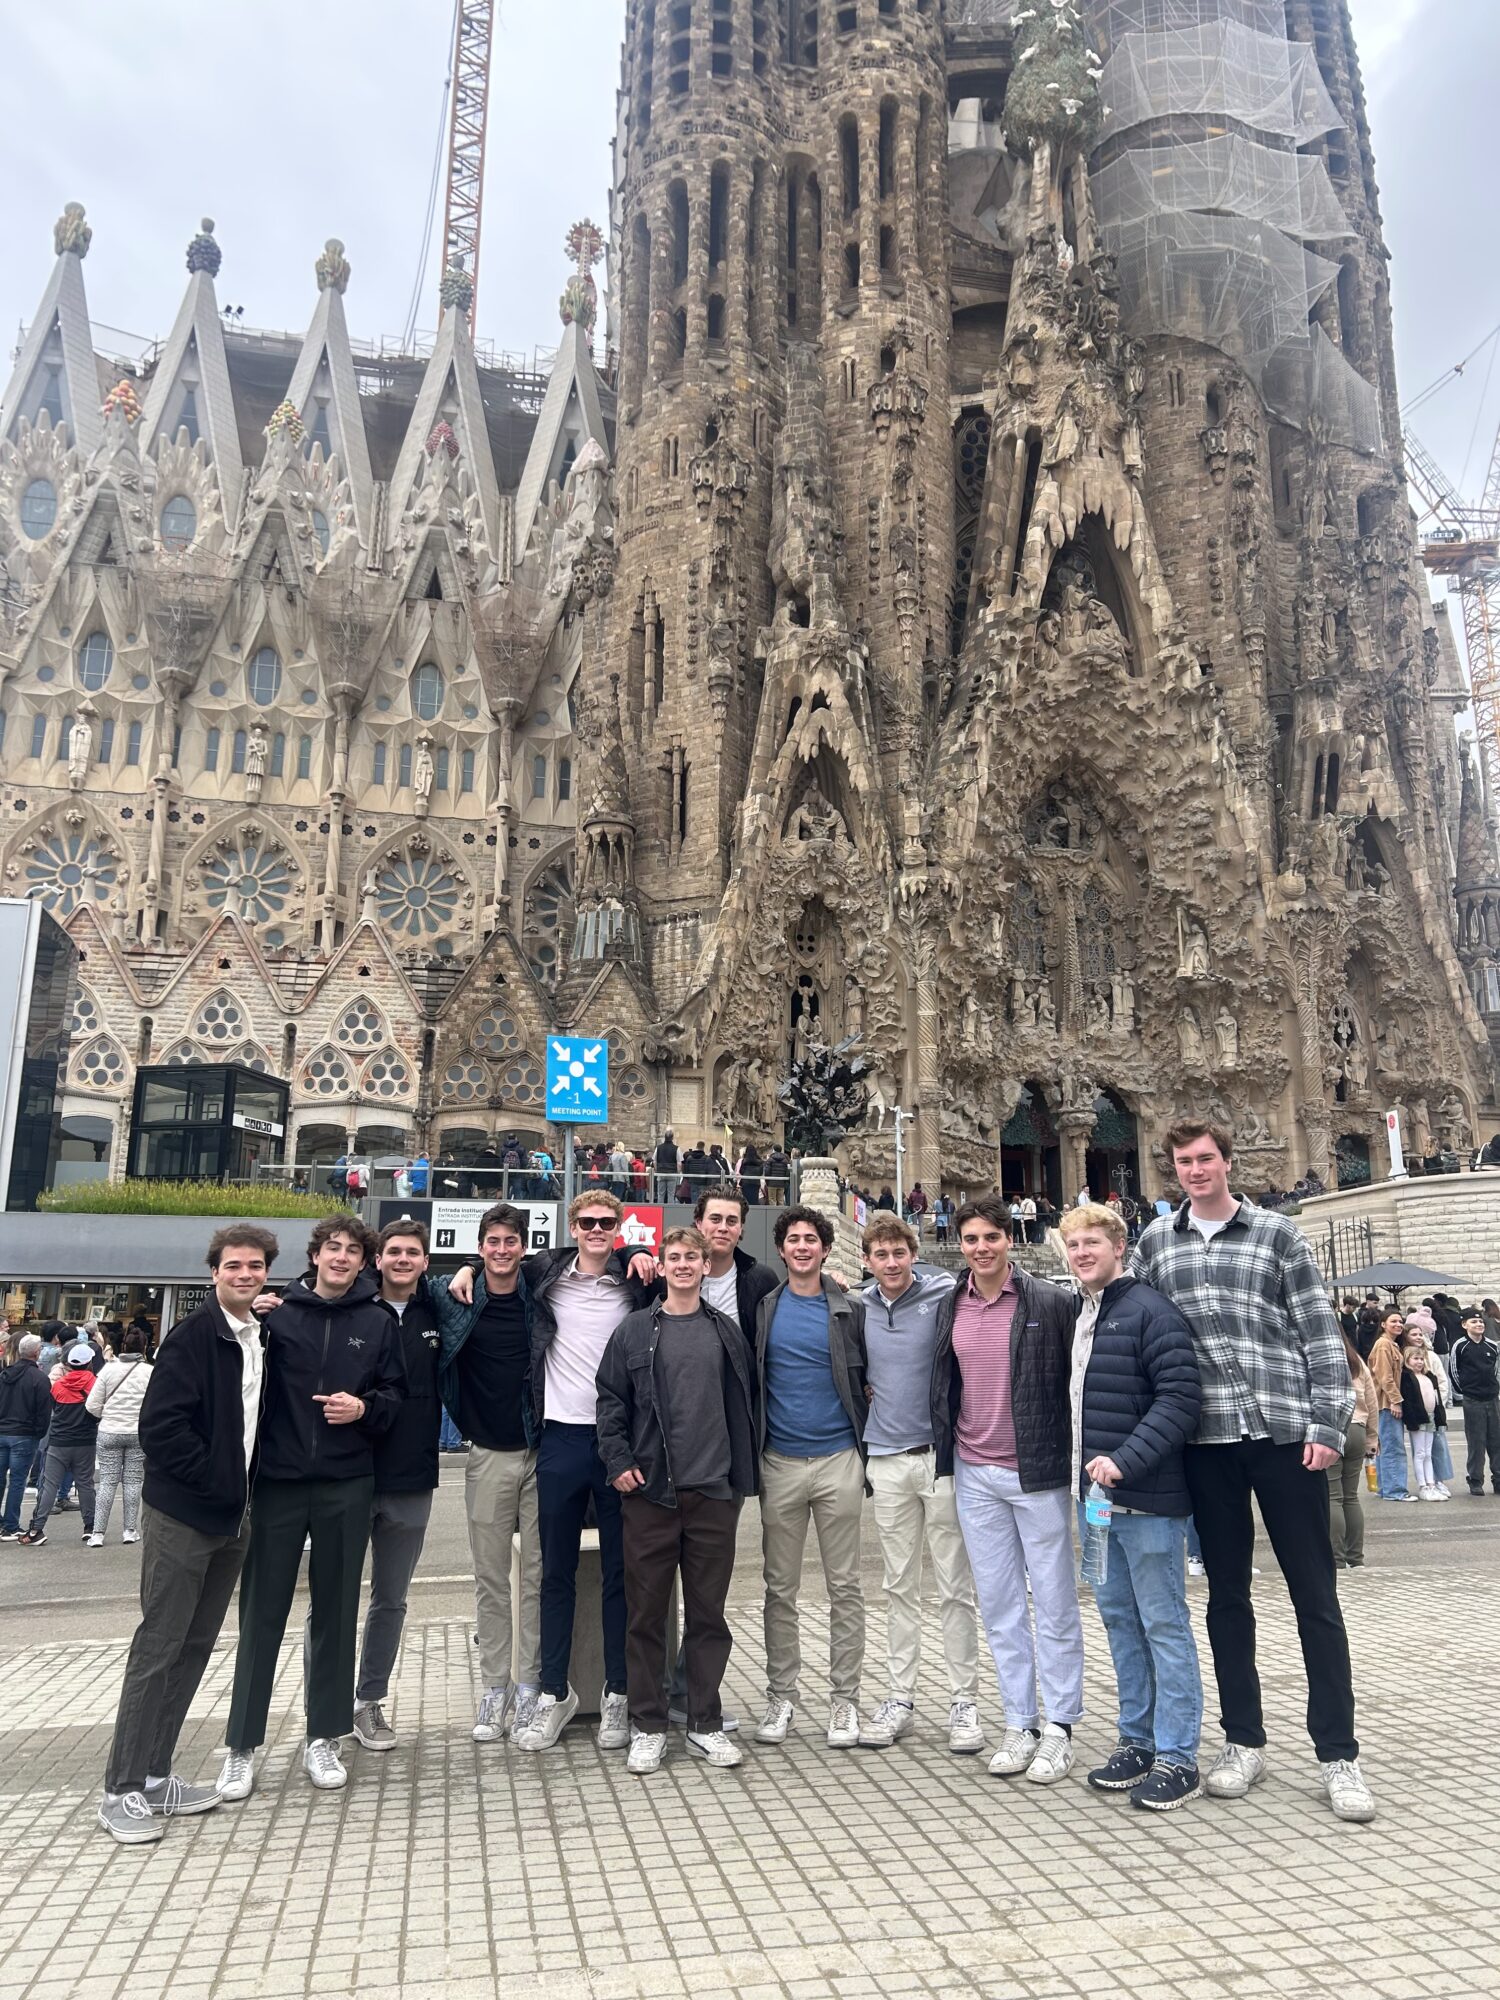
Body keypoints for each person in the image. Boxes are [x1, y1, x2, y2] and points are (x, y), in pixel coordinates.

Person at [1132, 1120, 1376, 1823]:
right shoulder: (1156, 1243)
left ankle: (1338, 1752)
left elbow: (1319, 1334)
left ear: (1228, 1162)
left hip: (1283, 1432)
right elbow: (1137, 1330)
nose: (1196, 1169)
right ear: (1173, 1169)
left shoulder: (1277, 1234)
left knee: (1315, 1595)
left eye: (1206, 1158)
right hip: (1206, 1436)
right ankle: (1243, 1740)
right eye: (1184, 1161)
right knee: (1226, 1598)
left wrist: (1327, 1424)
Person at [96, 1226, 279, 1844]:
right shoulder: (193, 1336)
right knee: (158, 1647)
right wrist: (215, 1485)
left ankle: (155, 1775)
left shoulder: (255, 1336)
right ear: (214, 1273)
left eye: (255, 1266)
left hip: (233, 1517)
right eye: (234, 1266)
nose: (245, 1274)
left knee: (196, 1645)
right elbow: (162, 1429)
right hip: (185, 1516)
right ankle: (120, 1789)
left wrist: (237, 1497)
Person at [217, 1218, 404, 1801]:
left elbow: (396, 1395)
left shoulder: (377, 1321)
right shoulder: (275, 1317)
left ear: (364, 1262)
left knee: (337, 1612)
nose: (342, 1257)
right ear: (315, 1255)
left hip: (347, 1482)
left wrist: (364, 1408)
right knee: (261, 1613)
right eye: (333, 1248)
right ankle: (241, 1746)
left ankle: (324, 1736)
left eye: (352, 1251)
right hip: (277, 1481)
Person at [934, 1194, 1082, 1786]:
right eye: (970, 1239)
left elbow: (1077, 1378)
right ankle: (1020, 1722)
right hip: (975, 1471)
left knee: (1054, 1602)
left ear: (1009, 1238)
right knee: (999, 1606)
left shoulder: (1050, 1301)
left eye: (990, 1237)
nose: (981, 1248)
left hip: (1037, 1471)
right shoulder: (952, 1302)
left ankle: (1060, 1726)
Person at [596, 1225, 756, 1774]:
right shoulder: (634, 1331)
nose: (684, 1264)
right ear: (660, 1267)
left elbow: (745, 1404)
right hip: (650, 1494)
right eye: (675, 1257)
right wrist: (618, 1462)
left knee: (709, 1617)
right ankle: (648, 1725)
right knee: (645, 1616)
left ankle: (704, 1723)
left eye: (694, 1256)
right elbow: (610, 1401)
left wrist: (739, 1481)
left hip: (714, 1493)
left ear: (707, 1266)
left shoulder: (726, 1331)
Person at [1061, 1203, 1204, 1811]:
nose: (1081, 1253)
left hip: (1146, 1501)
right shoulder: (1082, 1312)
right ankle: (1137, 1740)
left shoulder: (1151, 1311)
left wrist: (1125, 1459)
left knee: (1164, 1624)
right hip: (1095, 1502)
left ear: (1119, 1246)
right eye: (1073, 1245)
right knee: (1120, 1620)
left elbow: (1180, 1399)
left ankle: (1178, 1755)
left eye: (1092, 1242)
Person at [858, 1215, 983, 1755]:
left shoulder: (944, 1294)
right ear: (867, 1260)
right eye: (881, 1254)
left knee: (955, 1586)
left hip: (939, 1460)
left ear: (914, 1254)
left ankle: (964, 1701)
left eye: (899, 1253)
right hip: (886, 1460)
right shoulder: (856, 1306)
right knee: (897, 1586)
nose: (891, 1263)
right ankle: (900, 1698)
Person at [754, 1205, 869, 1750]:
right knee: (780, 1588)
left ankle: (845, 1701)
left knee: (845, 1585)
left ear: (825, 1249)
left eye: (811, 1239)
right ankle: (782, 1696)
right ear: (781, 1249)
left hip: (838, 1458)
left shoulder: (850, 1307)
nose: (802, 1247)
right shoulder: (764, 1307)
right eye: (793, 1239)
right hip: (779, 1462)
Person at [434, 1202, 544, 1744]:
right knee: (491, 1580)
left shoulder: (541, 1291)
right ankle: (494, 1688)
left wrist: (639, 1250)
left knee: (538, 1576)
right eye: (492, 1242)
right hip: (488, 1455)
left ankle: (530, 1687)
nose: (502, 1250)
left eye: (510, 1241)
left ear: (524, 1246)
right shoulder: (454, 1296)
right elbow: (386, 1276)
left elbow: (601, 1257)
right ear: (480, 1247)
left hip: (541, 1452)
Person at [343, 1221, 444, 1754]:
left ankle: (368, 1701)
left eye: (413, 1253)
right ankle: (325, 1706)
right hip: (349, 1475)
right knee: (334, 1600)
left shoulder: (438, 1313)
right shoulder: (350, 1309)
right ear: (376, 1260)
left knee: (391, 1600)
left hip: (412, 1478)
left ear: (426, 1262)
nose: (403, 1260)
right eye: (394, 1252)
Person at [21, 1341, 99, 1544]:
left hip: (58, 1441)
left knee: (49, 1485)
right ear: (89, 1362)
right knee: (85, 1484)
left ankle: (36, 1530)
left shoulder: (58, 1385)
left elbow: (53, 1410)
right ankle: (90, 1527)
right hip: (85, 1441)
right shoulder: (95, 1384)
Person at [86, 1325, 153, 1546]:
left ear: (123, 1346)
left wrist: (106, 1415)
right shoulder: (150, 1372)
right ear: (144, 1347)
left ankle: (97, 1533)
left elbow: (92, 1405)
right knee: (133, 1482)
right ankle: (129, 1531)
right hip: (137, 1432)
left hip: (110, 1430)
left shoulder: (108, 1370)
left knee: (107, 1482)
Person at [1329, 1332, 1378, 1569]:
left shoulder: (1320, 1355)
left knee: (1332, 1497)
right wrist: (1372, 1437)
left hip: (1330, 1428)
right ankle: (1355, 1558)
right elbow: (1371, 1401)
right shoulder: (1355, 1360)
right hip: (1357, 1427)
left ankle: (1336, 1559)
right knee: (1350, 1496)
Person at [0, 1332, 51, 1541]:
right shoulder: (39, 1378)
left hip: (3, 1430)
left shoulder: (4, 1375)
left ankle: (5, 1523)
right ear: (36, 1353)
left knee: (1, 1479)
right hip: (24, 1433)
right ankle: (11, 1525)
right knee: (17, 1480)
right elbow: (44, 1412)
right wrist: (38, 1433)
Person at [1366, 1308, 1415, 1502]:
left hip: (1384, 1403)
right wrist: (1395, 1400)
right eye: (1393, 1321)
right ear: (1383, 1324)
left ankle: (1384, 1488)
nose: (1398, 1324)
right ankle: (1395, 1490)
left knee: (1384, 1447)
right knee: (1393, 1448)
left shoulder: (1390, 1344)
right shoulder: (1384, 1345)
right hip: (1386, 1403)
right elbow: (1385, 1377)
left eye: (1400, 1321)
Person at [1450, 1309, 1500, 1494]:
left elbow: (1495, 1370)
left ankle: (1498, 1479)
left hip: (1492, 1399)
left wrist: (1494, 1390)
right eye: (1473, 1322)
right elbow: (1454, 1371)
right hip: (1472, 1400)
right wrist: (1464, 1392)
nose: (1478, 1325)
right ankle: (1475, 1480)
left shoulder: (1492, 1346)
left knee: (1496, 1441)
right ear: (1465, 1325)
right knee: (1476, 1442)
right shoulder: (1460, 1346)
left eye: (1480, 1322)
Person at [1399, 1340, 1449, 1501]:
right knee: (1420, 1453)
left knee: (1428, 1453)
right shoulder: (1407, 1377)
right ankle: (1423, 1486)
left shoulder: (1429, 1376)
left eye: (1421, 1359)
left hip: (1431, 1417)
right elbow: (1408, 1401)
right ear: (1407, 1360)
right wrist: (1411, 1420)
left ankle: (1431, 1484)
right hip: (1418, 1418)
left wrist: (1440, 1417)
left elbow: (1436, 1397)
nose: (1419, 1362)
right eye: (1415, 1359)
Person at [654, 1130, 679, 1205]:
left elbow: (654, 1161)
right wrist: (678, 1173)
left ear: (665, 1137)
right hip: (672, 1173)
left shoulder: (658, 1148)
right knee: (671, 1194)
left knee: (660, 1194)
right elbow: (679, 1163)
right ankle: (670, 1210)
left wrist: (657, 1170)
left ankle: (659, 1209)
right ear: (672, 1137)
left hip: (661, 1172)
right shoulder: (676, 1148)